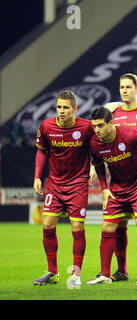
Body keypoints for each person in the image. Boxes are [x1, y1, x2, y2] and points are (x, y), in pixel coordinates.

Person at [32, 90, 94, 287]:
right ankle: (52, 272)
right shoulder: (47, 126)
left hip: (78, 183)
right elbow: (42, 152)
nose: (61, 111)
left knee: (77, 227)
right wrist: (37, 176)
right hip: (55, 184)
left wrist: (93, 166)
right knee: (48, 224)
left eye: (66, 107)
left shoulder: (86, 127)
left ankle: (76, 274)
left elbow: (96, 150)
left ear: (75, 109)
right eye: (59, 107)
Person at [87, 106, 137, 285]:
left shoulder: (131, 134)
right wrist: (104, 188)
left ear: (111, 123)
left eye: (101, 125)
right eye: (94, 126)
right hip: (116, 189)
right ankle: (106, 274)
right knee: (108, 227)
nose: (97, 130)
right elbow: (98, 164)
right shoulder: (94, 143)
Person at [102, 73, 137, 283]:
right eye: (121, 87)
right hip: (118, 180)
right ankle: (121, 270)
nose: (124, 90)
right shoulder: (112, 114)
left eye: (128, 87)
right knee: (119, 225)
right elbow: (100, 136)